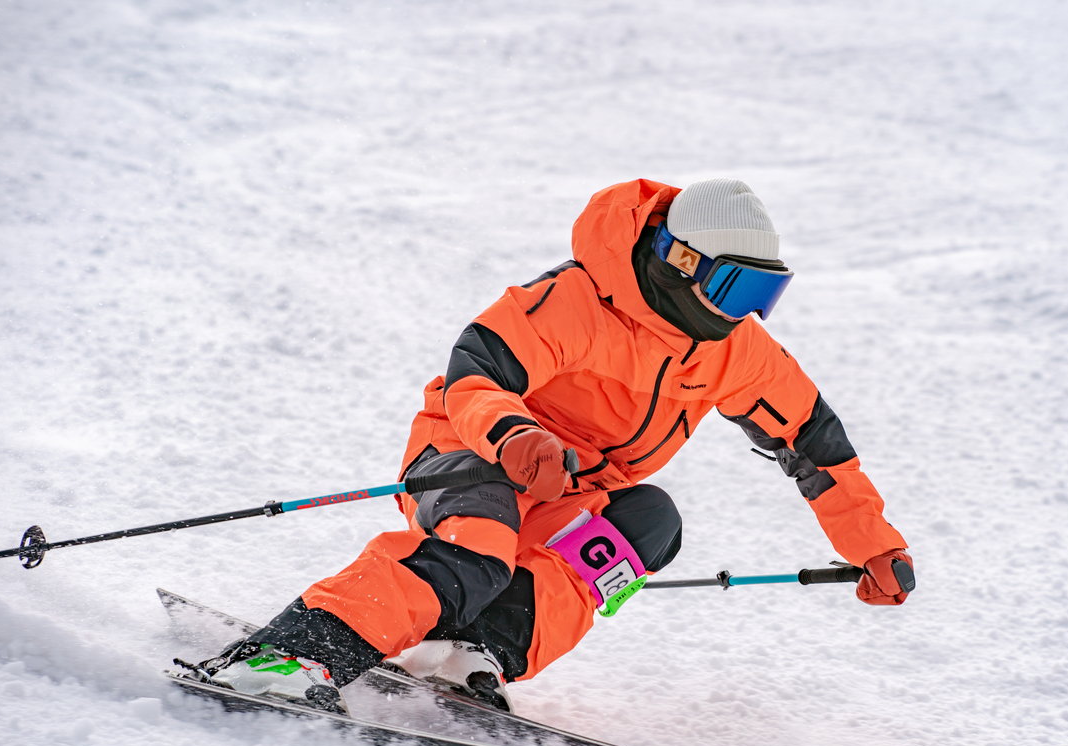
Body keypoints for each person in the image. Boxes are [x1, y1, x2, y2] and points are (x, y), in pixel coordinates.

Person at [183, 178, 914, 714]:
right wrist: (515, 433)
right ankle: (287, 652)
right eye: (732, 287)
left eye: (764, 295)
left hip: (569, 489)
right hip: (471, 450)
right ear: (680, 260)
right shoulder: (580, 301)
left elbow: (816, 445)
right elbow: (476, 372)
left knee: (650, 523)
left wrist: (873, 544)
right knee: (476, 550)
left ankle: (478, 651)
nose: (742, 314)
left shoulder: (735, 352)